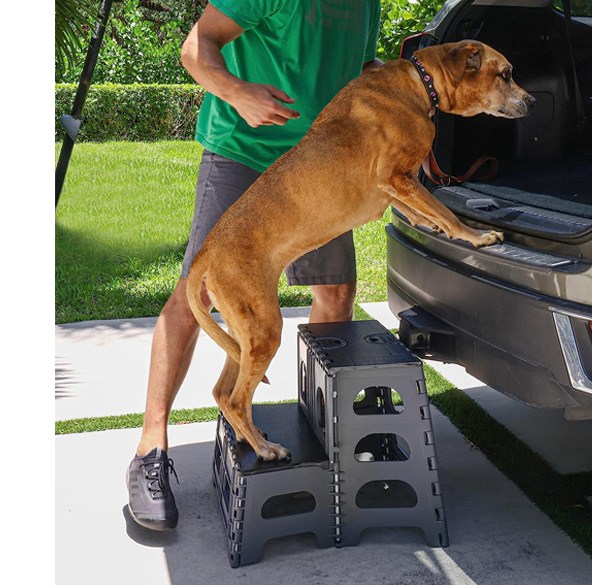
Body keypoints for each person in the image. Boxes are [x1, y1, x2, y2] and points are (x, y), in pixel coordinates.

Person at [126, 0, 383, 531]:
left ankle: (327, 428)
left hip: (317, 167)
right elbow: (197, 45)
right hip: (243, 153)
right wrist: (238, 93)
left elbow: (358, 71)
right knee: (194, 294)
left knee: (335, 291)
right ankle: (150, 449)